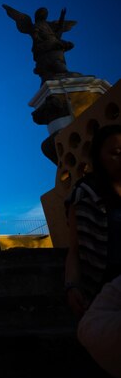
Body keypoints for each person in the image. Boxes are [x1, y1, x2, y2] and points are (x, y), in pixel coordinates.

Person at [65, 124, 121, 319]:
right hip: (105, 288)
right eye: (115, 153)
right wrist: (72, 285)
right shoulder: (84, 195)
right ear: (98, 157)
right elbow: (75, 249)